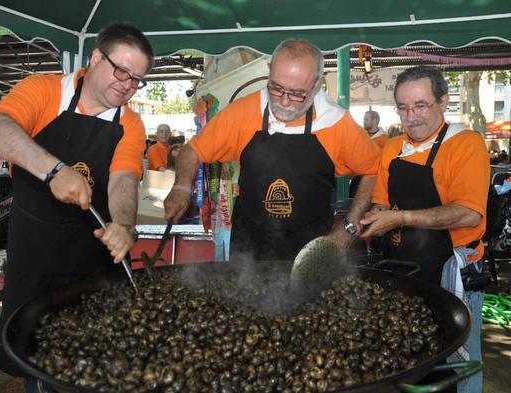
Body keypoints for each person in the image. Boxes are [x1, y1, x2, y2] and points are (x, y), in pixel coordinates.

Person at [0, 22, 153, 379]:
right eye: (122, 71)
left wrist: (123, 224)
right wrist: (54, 170)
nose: (128, 85)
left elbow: (123, 179)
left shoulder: (130, 123)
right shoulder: (44, 90)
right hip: (35, 257)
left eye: (137, 79)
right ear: (94, 58)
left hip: (93, 263)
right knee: (35, 362)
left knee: (95, 364)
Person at [164, 39, 381, 261]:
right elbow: (192, 151)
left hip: (311, 247)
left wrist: (349, 227)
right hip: (248, 244)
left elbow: (374, 171)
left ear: (317, 85)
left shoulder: (336, 122)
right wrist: (181, 186)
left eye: (297, 93)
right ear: (269, 73)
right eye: (276, 88)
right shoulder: (242, 113)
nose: (284, 101)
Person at [360, 66, 489, 393]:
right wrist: (370, 220)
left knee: (458, 361)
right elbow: (381, 204)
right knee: (414, 357)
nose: (410, 116)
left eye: (420, 105)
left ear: (443, 101)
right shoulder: (391, 148)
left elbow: (468, 215)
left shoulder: (466, 144)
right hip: (406, 271)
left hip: (452, 272)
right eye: (402, 107)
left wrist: (399, 219)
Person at [350, 110, 390, 197]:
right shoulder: (361, 136)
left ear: (374, 121)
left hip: (373, 182)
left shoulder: (385, 141)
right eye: (364, 119)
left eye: (366, 119)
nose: (364, 121)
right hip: (356, 179)